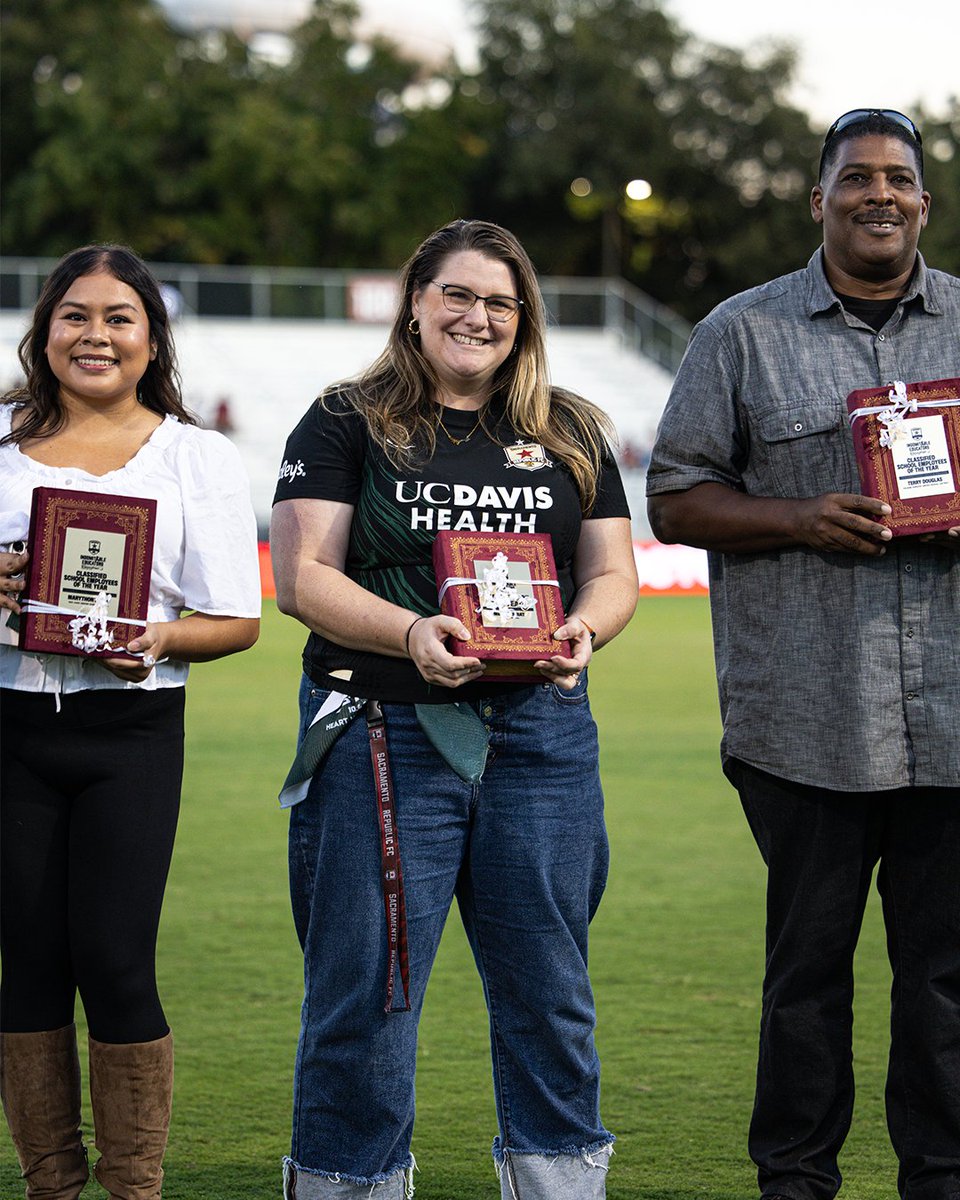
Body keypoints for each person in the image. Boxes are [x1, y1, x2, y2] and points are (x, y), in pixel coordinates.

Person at [271, 218, 638, 1199]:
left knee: (551, 995)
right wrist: (409, 634)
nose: (479, 316)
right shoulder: (344, 418)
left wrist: (585, 634)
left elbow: (611, 575)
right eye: (459, 294)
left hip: (543, 733)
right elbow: (300, 577)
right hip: (382, 729)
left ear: (525, 318)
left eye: (501, 301)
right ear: (418, 302)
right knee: (367, 990)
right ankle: (351, 1183)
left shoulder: (571, 427)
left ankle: (562, 1187)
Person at [646, 110, 960, 1200]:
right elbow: (676, 499)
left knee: (946, 985)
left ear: (925, 200)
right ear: (816, 199)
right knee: (806, 981)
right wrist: (798, 517)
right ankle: (795, 1183)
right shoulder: (741, 330)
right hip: (808, 721)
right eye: (857, 178)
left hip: (956, 720)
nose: (881, 195)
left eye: (900, 180)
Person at [0, 245, 261, 1199]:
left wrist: (154, 639)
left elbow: (237, 619)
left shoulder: (196, 455)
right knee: (24, 967)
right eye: (74, 315)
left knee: (113, 962)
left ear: (152, 341)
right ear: (45, 332)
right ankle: (51, 1186)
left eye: (118, 317)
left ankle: (131, 1188)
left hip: (131, 733)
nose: (94, 334)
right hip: (10, 726)